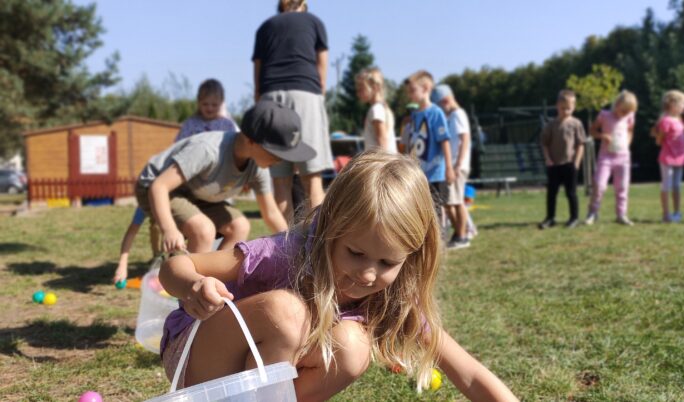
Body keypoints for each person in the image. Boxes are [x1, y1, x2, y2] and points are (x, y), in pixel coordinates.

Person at [158, 150, 519, 402]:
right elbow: (175, 266)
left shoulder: (393, 299)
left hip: (256, 387)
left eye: (386, 263)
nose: (366, 274)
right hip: (201, 368)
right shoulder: (288, 254)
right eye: (356, 253)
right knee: (287, 313)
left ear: (410, 258)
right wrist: (193, 286)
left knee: (353, 346)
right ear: (330, 227)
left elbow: (468, 373)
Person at [136, 100, 315, 254]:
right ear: (250, 141)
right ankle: (189, 287)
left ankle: (212, 277)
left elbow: (271, 213)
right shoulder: (208, 150)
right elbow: (159, 186)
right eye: (276, 153)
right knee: (203, 230)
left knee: (240, 226)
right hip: (158, 188)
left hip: (197, 193)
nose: (280, 160)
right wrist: (169, 229)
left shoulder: (257, 166)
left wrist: (292, 244)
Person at [252, 0, 333, 223]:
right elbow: (322, 65)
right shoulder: (315, 22)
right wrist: (320, 94)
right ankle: (317, 246)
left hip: (270, 99)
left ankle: (284, 249)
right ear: (303, 5)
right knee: (312, 180)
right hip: (305, 93)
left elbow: (257, 71)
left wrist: (261, 102)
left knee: (280, 181)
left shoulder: (266, 27)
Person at [405, 71, 454, 230]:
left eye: (413, 91)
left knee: (437, 209)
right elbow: (412, 143)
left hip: (436, 173)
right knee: (420, 210)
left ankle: (440, 242)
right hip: (419, 174)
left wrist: (449, 168)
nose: (410, 95)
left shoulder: (436, 113)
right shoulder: (414, 115)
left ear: (426, 88)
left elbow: (444, 140)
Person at [585, 90, 638, 226]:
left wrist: (627, 144)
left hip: (623, 157)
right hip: (606, 157)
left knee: (622, 186)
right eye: (624, 110)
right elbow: (592, 131)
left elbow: (630, 130)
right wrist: (603, 136)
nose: (626, 114)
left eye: (629, 112)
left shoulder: (629, 116)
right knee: (600, 185)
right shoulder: (604, 115)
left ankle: (621, 214)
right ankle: (592, 212)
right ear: (617, 104)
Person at [432, 84, 472, 249]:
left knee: (456, 202)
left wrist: (457, 165)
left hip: (457, 165)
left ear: (446, 100)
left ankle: (462, 236)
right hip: (452, 164)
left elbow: (465, 140)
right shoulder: (452, 116)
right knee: (449, 201)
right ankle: (458, 233)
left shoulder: (457, 115)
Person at [539, 90, 586, 229]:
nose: (566, 111)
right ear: (557, 106)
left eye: (569, 108)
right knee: (551, 193)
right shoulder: (550, 125)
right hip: (554, 165)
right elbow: (544, 144)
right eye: (563, 108)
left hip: (569, 164)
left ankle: (574, 218)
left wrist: (576, 163)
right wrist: (547, 159)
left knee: (571, 193)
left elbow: (580, 145)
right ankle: (550, 218)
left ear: (574, 107)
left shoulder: (576, 124)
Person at [650, 90, 684, 223]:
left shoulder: (679, 121)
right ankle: (666, 214)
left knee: (677, 186)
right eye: (682, 104)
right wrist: (662, 137)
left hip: (680, 159)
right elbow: (659, 141)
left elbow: (683, 144)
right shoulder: (665, 121)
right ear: (672, 104)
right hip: (667, 159)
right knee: (667, 185)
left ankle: (677, 213)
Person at [112, 207, 161, 284]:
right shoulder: (143, 206)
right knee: (155, 226)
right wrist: (122, 265)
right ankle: (157, 257)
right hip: (154, 211)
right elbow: (132, 231)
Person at [356, 67, 397, 153]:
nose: (358, 93)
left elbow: (382, 140)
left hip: (381, 162)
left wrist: (384, 164)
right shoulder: (382, 108)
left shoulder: (376, 110)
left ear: (374, 88)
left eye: (361, 88)